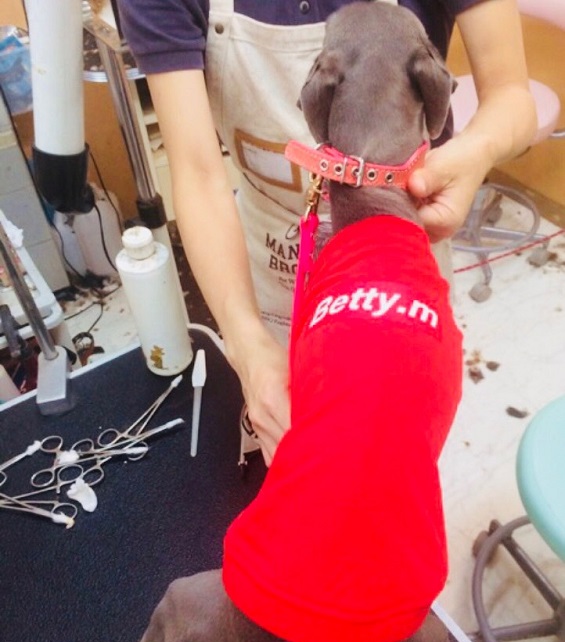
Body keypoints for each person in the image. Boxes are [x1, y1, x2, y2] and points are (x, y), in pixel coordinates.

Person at [116, 0, 536, 464]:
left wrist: (478, 150)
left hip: (401, 262)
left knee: (395, 460)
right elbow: (198, 173)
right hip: (274, 272)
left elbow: (512, 98)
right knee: (295, 462)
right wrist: (248, 348)